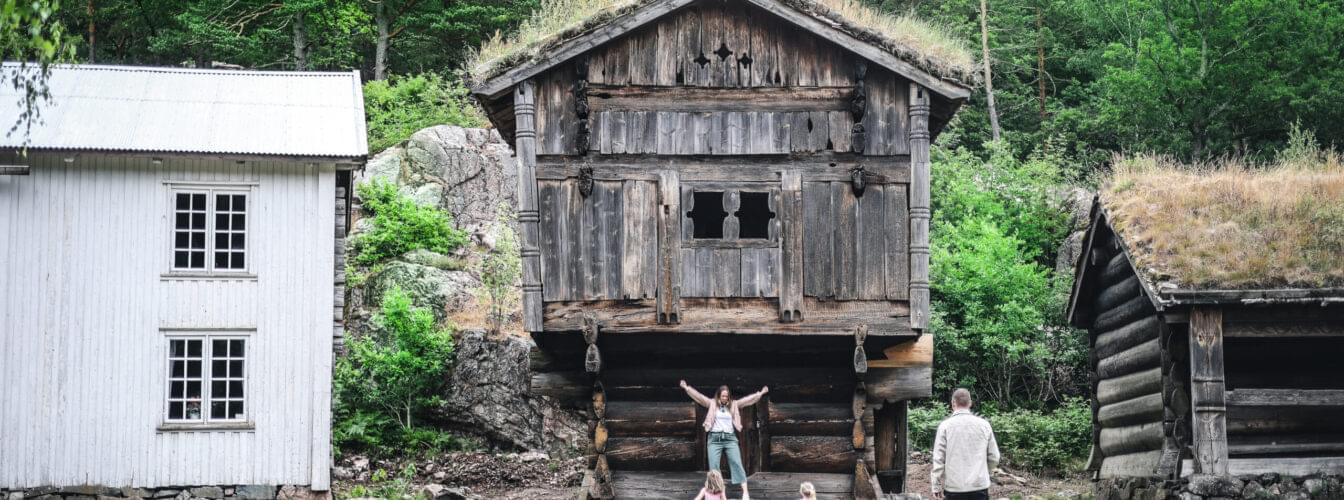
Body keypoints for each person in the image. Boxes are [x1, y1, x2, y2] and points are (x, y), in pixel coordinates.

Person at [681, 380, 768, 500]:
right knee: (714, 468)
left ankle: (745, 493)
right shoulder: (711, 403)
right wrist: (687, 388)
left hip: (730, 439)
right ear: (718, 395)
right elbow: (699, 397)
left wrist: (760, 393)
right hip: (714, 439)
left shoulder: (734, 404)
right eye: (723, 396)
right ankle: (719, 495)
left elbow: (747, 400)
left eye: (727, 396)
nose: (725, 398)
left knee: (737, 463)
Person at [931, 388, 1001, 500]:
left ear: (953, 403)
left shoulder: (945, 426)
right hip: (979, 487)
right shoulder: (984, 425)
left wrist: (936, 486)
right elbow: (994, 457)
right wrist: (982, 470)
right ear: (970, 403)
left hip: (954, 488)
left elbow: (938, 459)